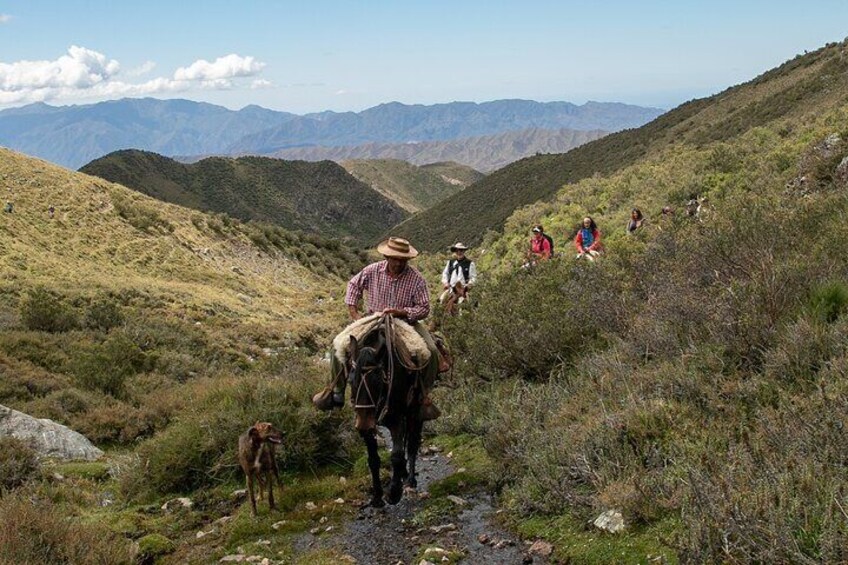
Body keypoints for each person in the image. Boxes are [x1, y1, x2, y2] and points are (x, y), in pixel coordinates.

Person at [313, 237, 440, 419]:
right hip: (373, 318)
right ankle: (337, 391)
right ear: (387, 256)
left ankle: (424, 394)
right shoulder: (372, 270)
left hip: (404, 321)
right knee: (337, 346)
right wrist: (355, 313)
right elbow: (353, 285)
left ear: (407, 260)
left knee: (431, 350)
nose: (398, 263)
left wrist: (402, 312)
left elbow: (424, 308)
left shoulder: (416, 279)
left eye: (402, 259)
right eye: (394, 258)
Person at [439, 242, 477, 307]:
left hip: (464, 289)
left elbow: (473, 277)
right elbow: (445, 274)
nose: (459, 252)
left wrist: (469, 284)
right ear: (455, 251)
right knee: (441, 300)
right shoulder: (450, 262)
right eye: (457, 250)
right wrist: (445, 283)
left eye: (461, 250)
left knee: (472, 304)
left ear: (464, 251)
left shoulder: (470, 263)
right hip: (451, 288)